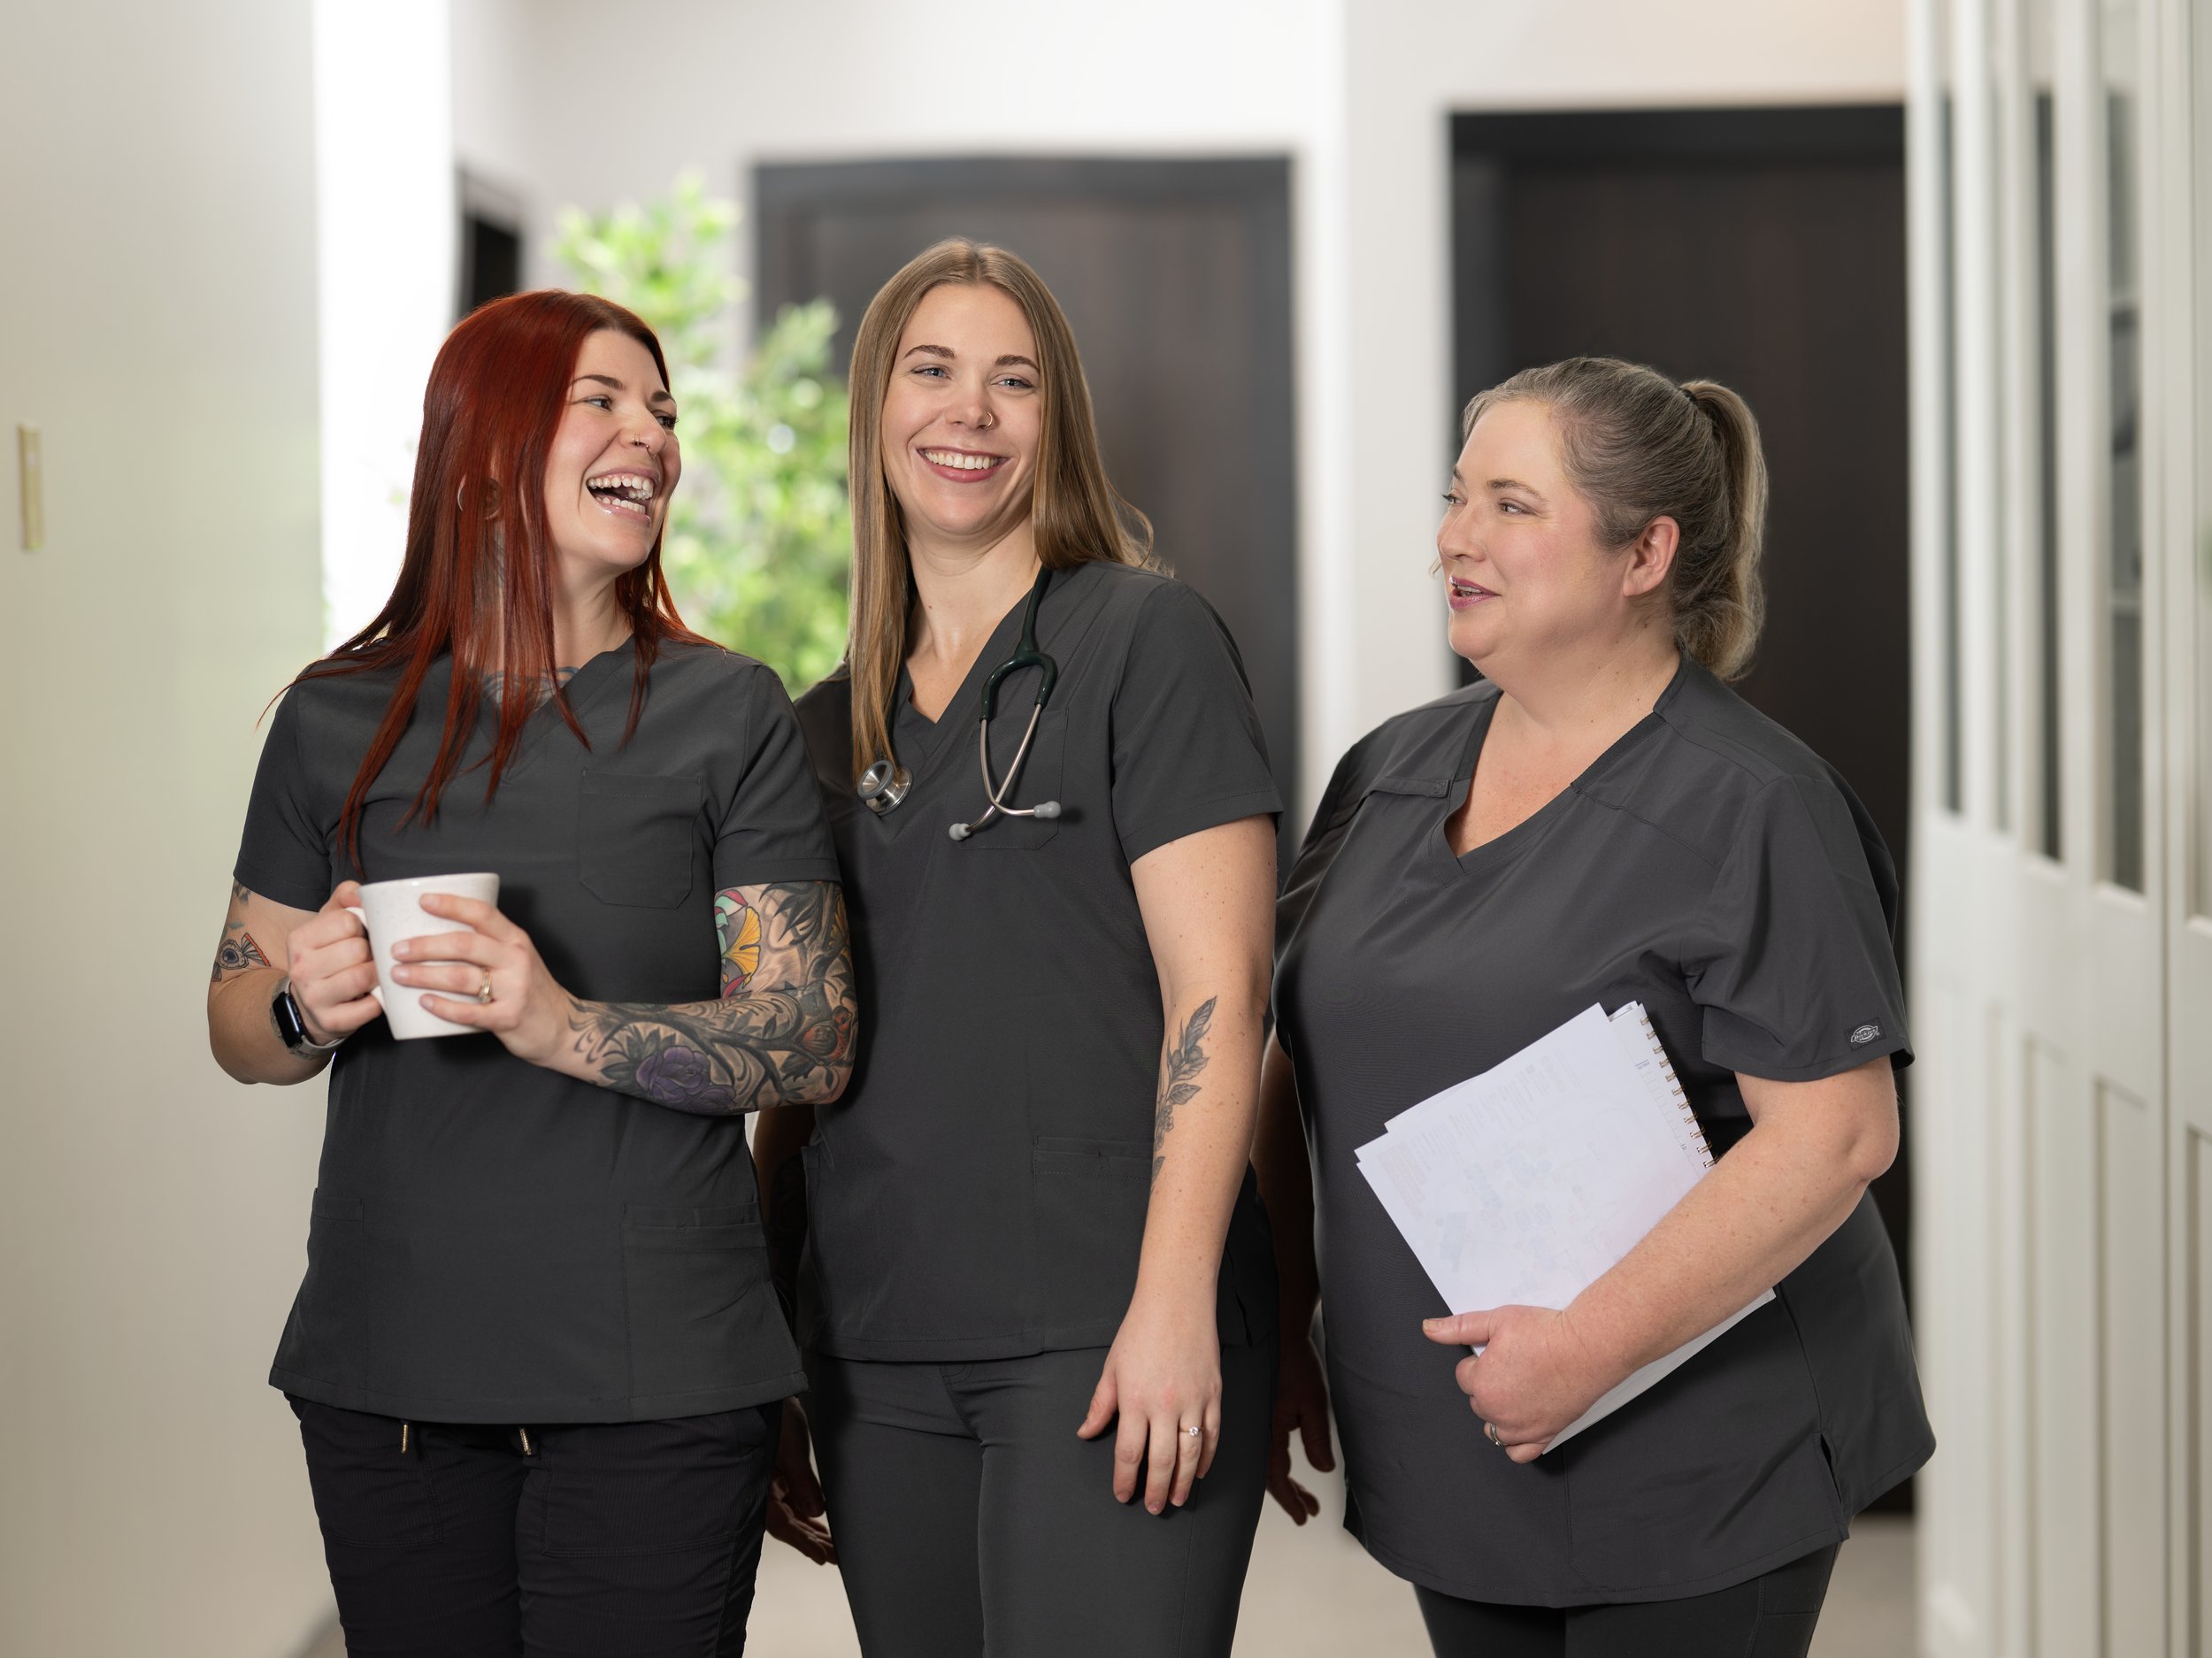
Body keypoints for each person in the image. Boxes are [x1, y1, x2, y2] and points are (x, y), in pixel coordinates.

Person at [205, 289, 856, 1658]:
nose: (654, 439)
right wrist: (297, 1002)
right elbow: (234, 1016)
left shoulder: (725, 711)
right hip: (391, 1383)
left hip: (662, 1383)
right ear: (487, 448)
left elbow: (809, 1037)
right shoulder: (336, 720)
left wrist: (566, 1023)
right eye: (605, 401)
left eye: (665, 412)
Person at [1257, 357, 1933, 1657]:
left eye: (1512, 504)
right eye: (1458, 498)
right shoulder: (1390, 770)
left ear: (1645, 554)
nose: (1457, 535)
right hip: (1461, 1430)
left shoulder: (1756, 805)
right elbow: (1305, 1058)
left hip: (1698, 1443)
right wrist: (1289, 1313)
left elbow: (1838, 1135)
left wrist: (1588, 1348)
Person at [750, 239, 1280, 1657]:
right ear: (876, 411)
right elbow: (797, 1069)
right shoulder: (821, 729)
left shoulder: (1143, 643)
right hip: (877, 1334)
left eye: (1013, 380)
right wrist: (776, 1348)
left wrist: (1174, 1304)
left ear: (1061, 423)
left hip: (1101, 1325)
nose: (967, 412)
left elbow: (1221, 996)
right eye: (930, 372)